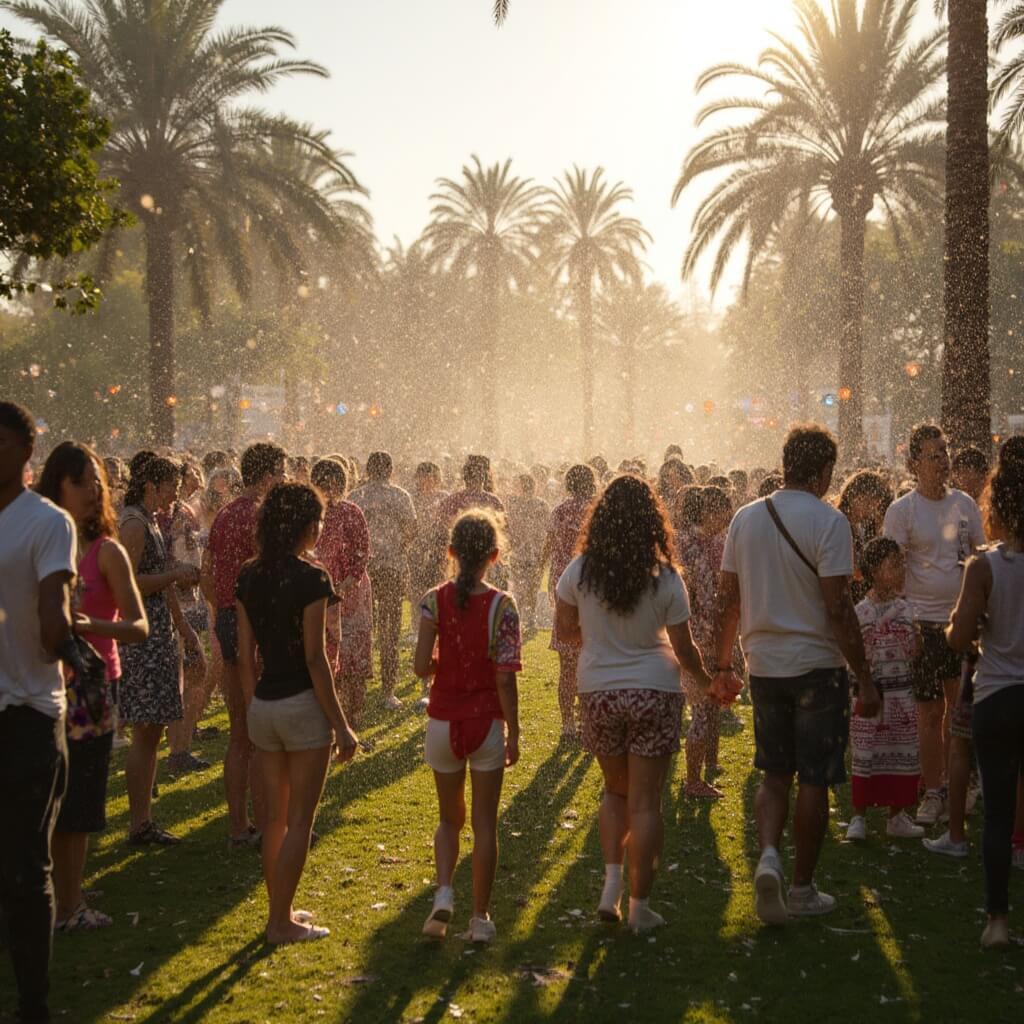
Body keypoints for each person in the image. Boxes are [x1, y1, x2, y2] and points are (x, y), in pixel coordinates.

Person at [714, 425, 880, 925]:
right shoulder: (830, 523)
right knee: (814, 778)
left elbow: (728, 600)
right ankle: (803, 888)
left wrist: (722, 666)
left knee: (773, 772)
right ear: (825, 470)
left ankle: (768, 855)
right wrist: (865, 676)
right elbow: (838, 607)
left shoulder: (745, 519)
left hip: (763, 664)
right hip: (817, 667)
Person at [556, 476, 736, 932]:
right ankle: (640, 907)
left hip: (598, 691)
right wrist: (707, 682)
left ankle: (611, 887)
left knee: (614, 791)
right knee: (647, 803)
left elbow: (564, 631)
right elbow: (686, 647)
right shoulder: (667, 578)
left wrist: (600, 639)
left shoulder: (578, 572)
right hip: (654, 691)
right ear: (653, 521)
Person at [236, 483, 358, 944]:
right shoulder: (312, 578)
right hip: (303, 707)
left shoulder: (249, 575)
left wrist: (251, 708)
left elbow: (245, 657)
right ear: (307, 526)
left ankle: (280, 909)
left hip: (264, 705)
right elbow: (315, 658)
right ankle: (279, 924)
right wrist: (343, 726)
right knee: (301, 820)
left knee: (274, 821)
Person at [36, 442, 149, 931]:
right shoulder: (39, 540)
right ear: (56, 485)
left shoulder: (107, 551)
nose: (94, 490)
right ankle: (58, 892)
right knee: (43, 794)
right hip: (38, 681)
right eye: (82, 481)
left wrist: (90, 625)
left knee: (80, 797)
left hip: (92, 684)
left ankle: (71, 904)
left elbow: (139, 626)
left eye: (98, 481)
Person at [0, 402, 76, 1024]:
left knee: (26, 862)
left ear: (27, 452)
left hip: (28, 709)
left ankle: (35, 1004)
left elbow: (54, 613)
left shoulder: (46, 523)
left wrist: (74, 646)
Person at [415, 511, 521, 943]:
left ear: (451, 552)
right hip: (485, 724)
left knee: (447, 820)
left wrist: (443, 664)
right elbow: (504, 676)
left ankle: (444, 892)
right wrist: (514, 729)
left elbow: (420, 665)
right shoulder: (503, 605)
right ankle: (480, 917)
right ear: (494, 556)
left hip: (442, 721)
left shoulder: (432, 599)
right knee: (485, 825)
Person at [883, 424, 984, 826]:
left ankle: (959, 785)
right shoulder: (901, 511)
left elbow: (978, 558)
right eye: (934, 455)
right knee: (929, 711)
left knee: (958, 710)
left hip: (960, 622)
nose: (943, 461)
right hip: (920, 623)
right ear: (914, 464)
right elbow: (889, 570)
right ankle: (934, 790)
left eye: (945, 451)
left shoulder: (966, 504)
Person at [945, 445, 1024, 948]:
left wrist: (966, 627)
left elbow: (958, 636)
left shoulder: (985, 566)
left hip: (997, 696)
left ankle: (997, 920)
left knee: (996, 812)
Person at [203, 442, 286, 847]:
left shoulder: (224, 515)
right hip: (255, 622)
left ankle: (240, 826)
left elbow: (208, 572)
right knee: (263, 734)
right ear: (268, 475)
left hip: (227, 620)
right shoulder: (260, 515)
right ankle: (269, 824)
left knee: (240, 732)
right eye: (282, 473)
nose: (285, 480)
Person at [118, 454, 201, 846]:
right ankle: (139, 823)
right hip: (142, 639)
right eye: (170, 486)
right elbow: (128, 582)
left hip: (159, 634)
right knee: (145, 731)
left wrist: (185, 630)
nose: (175, 494)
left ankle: (143, 820)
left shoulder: (150, 519)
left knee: (152, 733)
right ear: (151, 485)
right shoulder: (134, 523)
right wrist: (175, 574)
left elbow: (161, 584)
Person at [845, 538, 923, 842]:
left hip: (901, 695)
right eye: (893, 564)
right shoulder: (860, 612)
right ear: (875, 571)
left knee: (900, 750)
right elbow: (853, 655)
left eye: (900, 563)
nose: (900, 570)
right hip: (870, 696)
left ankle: (896, 814)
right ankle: (859, 816)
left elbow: (914, 651)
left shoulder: (906, 609)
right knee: (865, 753)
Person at [677, 486, 741, 799]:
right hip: (695, 637)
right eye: (720, 513)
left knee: (683, 706)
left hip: (673, 637)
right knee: (702, 707)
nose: (725, 519)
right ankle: (692, 779)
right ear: (706, 513)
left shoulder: (680, 540)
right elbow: (705, 596)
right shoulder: (694, 547)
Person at [348, 451, 416, 710]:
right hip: (391, 567)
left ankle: (358, 685)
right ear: (390, 470)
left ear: (367, 469)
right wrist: (398, 547)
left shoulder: (357, 496)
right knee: (390, 628)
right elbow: (411, 529)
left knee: (362, 627)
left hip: (363, 569)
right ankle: (388, 690)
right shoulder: (400, 495)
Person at [311, 458, 373, 730]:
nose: (328, 488)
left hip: (351, 594)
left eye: (333, 483)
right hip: (316, 597)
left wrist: (342, 588)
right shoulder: (310, 512)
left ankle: (353, 721)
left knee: (354, 662)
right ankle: (327, 720)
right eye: (323, 483)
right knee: (322, 658)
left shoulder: (352, 512)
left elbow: (361, 556)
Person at [541, 463, 597, 741]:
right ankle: (587, 720)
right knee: (591, 660)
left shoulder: (561, 510)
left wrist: (541, 572)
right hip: (592, 588)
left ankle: (567, 724)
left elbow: (549, 545)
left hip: (563, 588)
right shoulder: (597, 510)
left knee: (567, 664)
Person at [838, 470, 895, 603]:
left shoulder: (862, 526)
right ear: (857, 496)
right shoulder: (841, 523)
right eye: (872, 500)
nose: (875, 506)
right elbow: (854, 570)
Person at [505, 473, 550, 630]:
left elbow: (508, 528)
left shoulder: (514, 505)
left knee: (519, 587)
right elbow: (547, 530)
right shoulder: (541, 505)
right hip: (533, 553)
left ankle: (521, 617)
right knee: (531, 587)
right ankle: (528, 618)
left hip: (522, 552)